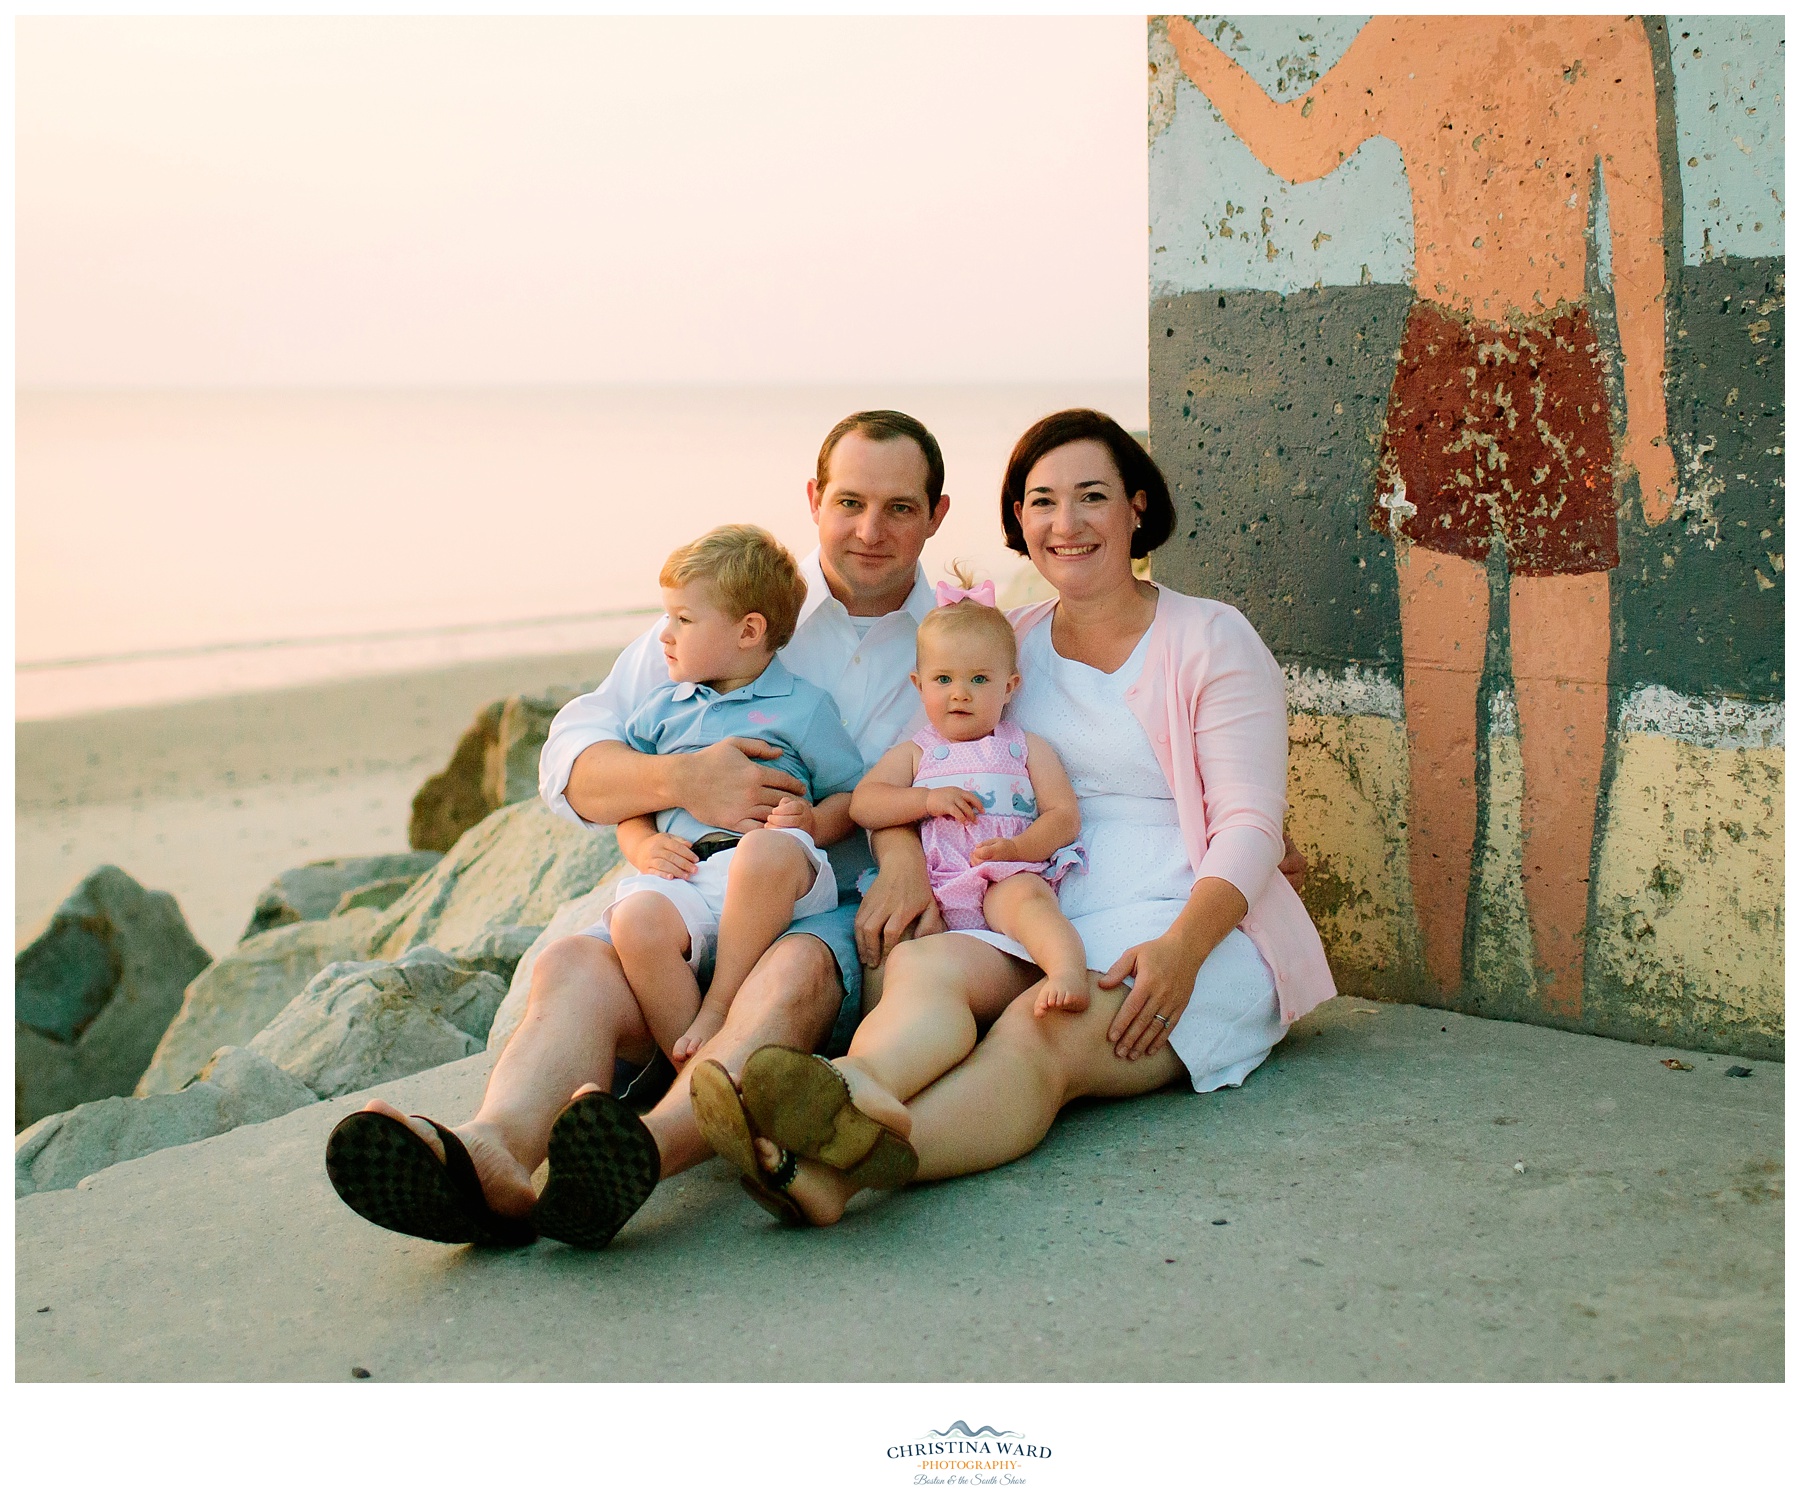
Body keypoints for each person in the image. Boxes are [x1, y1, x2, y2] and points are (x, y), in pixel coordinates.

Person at [324, 410, 959, 1249]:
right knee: (575, 961)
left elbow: (967, 780)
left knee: (790, 976)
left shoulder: (958, 640)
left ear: (938, 514)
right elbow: (572, 760)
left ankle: (635, 1157)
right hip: (688, 888)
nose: (870, 531)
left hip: (818, 909)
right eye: (849, 501)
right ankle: (493, 1154)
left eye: (900, 508)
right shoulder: (735, 598)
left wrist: (900, 852)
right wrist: (679, 778)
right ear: (813, 498)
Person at [690, 409, 1337, 1227]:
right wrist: (901, 861)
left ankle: (835, 1170)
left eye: (1091, 496)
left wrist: (1183, 950)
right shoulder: (1007, 642)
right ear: (1019, 520)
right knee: (928, 969)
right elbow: (914, 768)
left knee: (1040, 1038)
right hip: (1040, 898)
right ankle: (853, 1086)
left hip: (1189, 923)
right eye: (1041, 501)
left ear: (1138, 506)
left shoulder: (1210, 636)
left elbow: (1250, 827)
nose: (1064, 524)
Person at [1164, 15, 1674, 1013]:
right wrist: (1190, 44)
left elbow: (1644, 229)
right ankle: (1442, 992)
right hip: (1441, 370)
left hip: (1558, 376)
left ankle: (1563, 1000)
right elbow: (1300, 146)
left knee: (1564, 716)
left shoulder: (1606, 36)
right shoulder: (1411, 31)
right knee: (1438, 713)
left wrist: (1649, 422)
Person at [600, 525, 864, 1069]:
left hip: (775, 880)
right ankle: (693, 1075)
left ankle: (718, 1009)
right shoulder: (660, 709)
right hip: (688, 876)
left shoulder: (803, 706)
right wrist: (643, 847)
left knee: (765, 852)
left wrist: (811, 821)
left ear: (749, 631)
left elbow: (851, 799)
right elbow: (632, 806)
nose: (665, 635)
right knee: (634, 920)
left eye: (683, 620)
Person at [848, 571, 1087, 1019]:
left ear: (1009, 686)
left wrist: (1019, 848)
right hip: (934, 886)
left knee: (1030, 903)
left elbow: (1063, 815)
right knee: (892, 943)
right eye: (943, 680)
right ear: (919, 686)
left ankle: (1066, 972)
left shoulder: (1025, 746)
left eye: (979, 679)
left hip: (1004, 871)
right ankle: (873, 1026)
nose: (960, 693)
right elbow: (865, 804)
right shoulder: (918, 752)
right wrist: (925, 801)